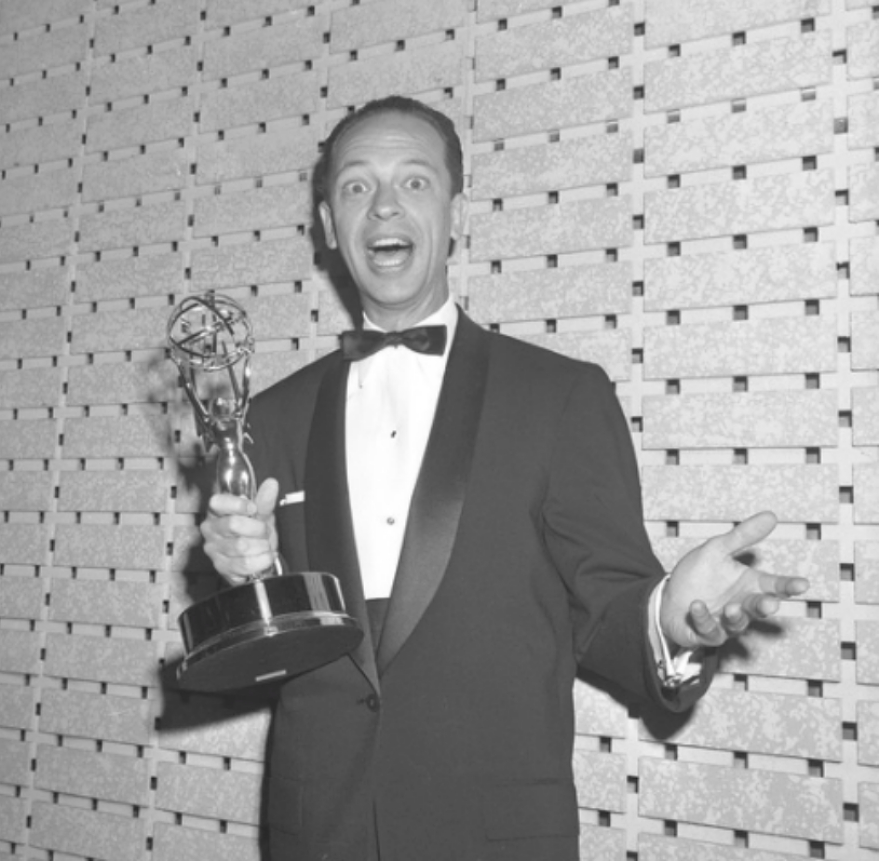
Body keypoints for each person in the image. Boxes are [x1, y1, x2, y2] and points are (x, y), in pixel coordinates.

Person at [200, 96, 809, 861]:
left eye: (414, 182)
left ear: (456, 214)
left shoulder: (561, 397)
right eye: (356, 186)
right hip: (318, 835)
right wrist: (252, 582)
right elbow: (269, 652)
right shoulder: (268, 418)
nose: (384, 204)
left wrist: (670, 619)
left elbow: (608, 606)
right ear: (328, 224)